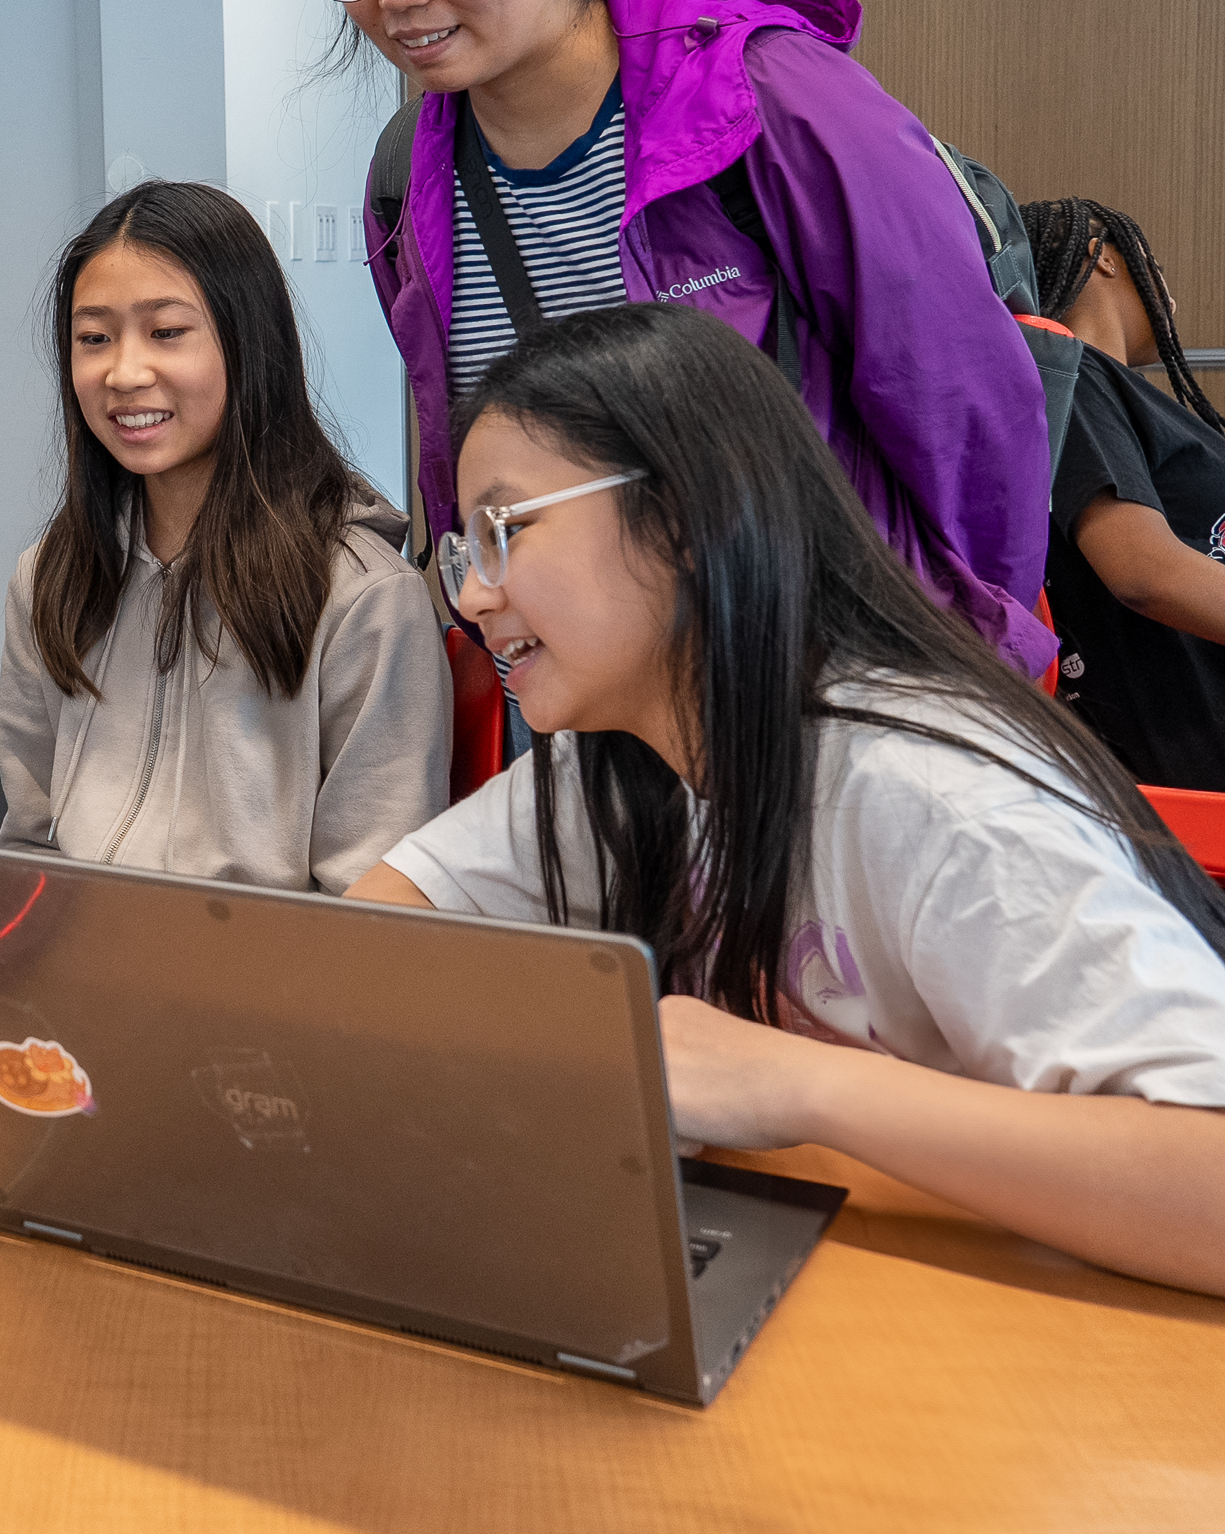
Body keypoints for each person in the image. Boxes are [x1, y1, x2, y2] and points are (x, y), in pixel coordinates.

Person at [350, 304, 1225, 1297]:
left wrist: (794, 1084)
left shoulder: (929, 790)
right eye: (466, 550)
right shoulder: (617, 766)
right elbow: (361, 952)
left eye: (505, 530)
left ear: (684, 515)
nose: (471, 595)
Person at [308, 0, 1054, 673]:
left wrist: (955, 682)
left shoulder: (776, 105)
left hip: (824, 682)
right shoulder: (405, 175)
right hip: (588, 707)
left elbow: (969, 412)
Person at [0, 182, 448, 891]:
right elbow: (30, 847)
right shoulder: (52, 576)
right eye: (94, 338)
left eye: (167, 332)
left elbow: (373, 905)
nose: (125, 372)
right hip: (87, 978)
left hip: (276, 991)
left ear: (247, 342)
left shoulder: (364, 598)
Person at [1023, 198, 1225, 790]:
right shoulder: (1073, 379)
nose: (1164, 282)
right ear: (1103, 255)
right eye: (1151, 261)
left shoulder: (1105, 389)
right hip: (1186, 768)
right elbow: (1141, 571)